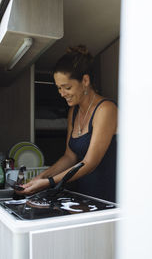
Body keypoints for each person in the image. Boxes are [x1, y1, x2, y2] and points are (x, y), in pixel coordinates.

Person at [20, 46, 118, 202]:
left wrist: (49, 182)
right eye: (59, 88)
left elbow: (90, 162)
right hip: (85, 196)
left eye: (67, 87)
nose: (62, 93)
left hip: (109, 197)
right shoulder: (74, 111)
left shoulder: (106, 109)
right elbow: (69, 156)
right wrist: (40, 177)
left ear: (85, 81)